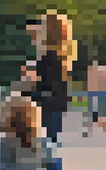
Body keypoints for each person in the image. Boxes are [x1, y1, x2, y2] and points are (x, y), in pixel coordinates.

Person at [24, 12, 76, 144]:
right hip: (57, 105)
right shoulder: (63, 54)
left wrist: (31, 81)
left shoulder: (49, 56)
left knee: (44, 147)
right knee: (51, 147)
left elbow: (47, 85)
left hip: (46, 107)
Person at [85, 60, 106, 137]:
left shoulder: (99, 70)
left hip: (98, 92)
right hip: (96, 91)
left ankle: (100, 127)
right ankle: (93, 128)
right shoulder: (98, 70)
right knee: (95, 110)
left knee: (99, 110)